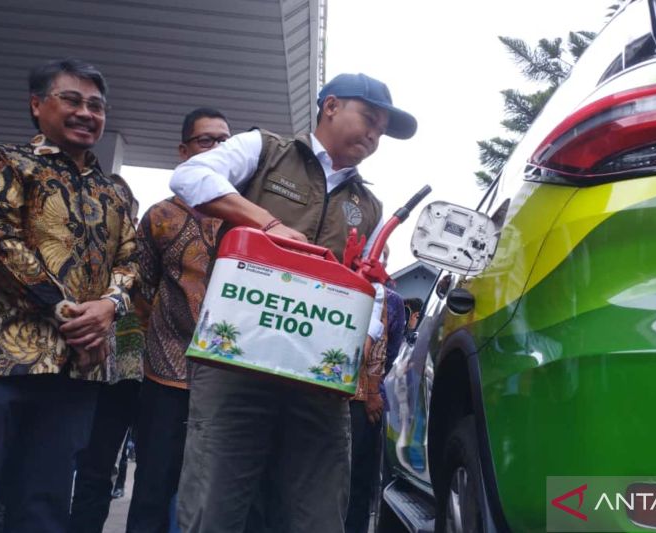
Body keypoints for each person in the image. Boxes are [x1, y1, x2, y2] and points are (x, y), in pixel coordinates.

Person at [170, 72, 417, 533]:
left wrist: (365, 335)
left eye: (382, 131)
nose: (374, 135)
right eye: (369, 119)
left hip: (318, 378)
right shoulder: (264, 150)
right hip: (235, 363)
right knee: (214, 502)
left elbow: (370, 285)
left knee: (317, 510)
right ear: (331, 106)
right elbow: (189, 176)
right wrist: (265, 223)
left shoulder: (368, 205)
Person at [0, 58, 138, 532]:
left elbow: (132, 260)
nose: (86, 113)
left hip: (77, 370)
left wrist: (109, 306)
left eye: (96, 106)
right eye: (72, 100)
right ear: (37, 105)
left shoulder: (114, 192)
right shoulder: (3, 162)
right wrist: (69, 312)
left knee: (43, 503)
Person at [125, 108, 231, 533]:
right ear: (184, 151)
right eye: (207, 140)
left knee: (217, 494)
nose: (217, 148)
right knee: (154, 486)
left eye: (225, 141)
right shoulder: (160, 216)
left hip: (230, 382)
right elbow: (139, 291)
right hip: (166, 374)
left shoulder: (251, 214)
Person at [69, 186, 144, 533]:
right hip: (76, 368)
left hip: (123, 375)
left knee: (96, 470)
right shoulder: (79, 252)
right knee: (55, 461)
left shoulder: (136, 259)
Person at [345, 248, 407, 533]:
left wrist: (372, 391)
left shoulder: (388, 299)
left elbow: (387, 351)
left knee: (355, 476)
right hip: (356, 398)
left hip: (360, 400)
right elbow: (390, 351)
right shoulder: (388, 298)